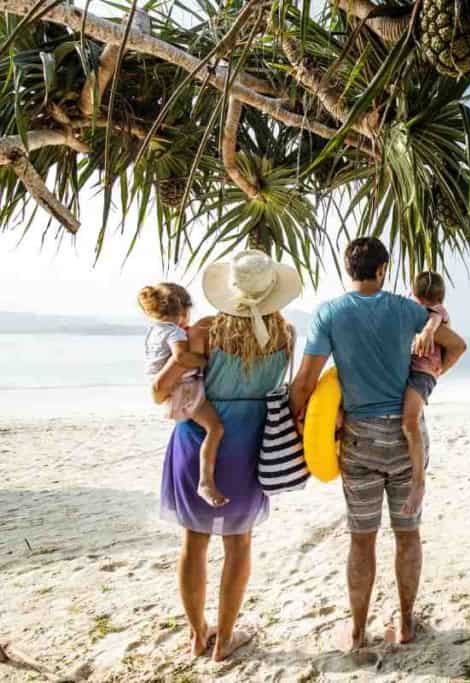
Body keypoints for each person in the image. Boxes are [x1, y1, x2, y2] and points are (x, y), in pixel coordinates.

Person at [289, 238, 467, 650]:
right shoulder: (409, 310)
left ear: (347, 268)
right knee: (408, 534)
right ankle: (405, 625)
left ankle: (355, 632)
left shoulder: (329, 313)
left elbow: (304, 382)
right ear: (384, 269)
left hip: (359, 441)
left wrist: (301, 430)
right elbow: (454, 345)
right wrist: (430, 379)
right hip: (408, 441)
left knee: (361, 538)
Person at [152, 250, 301, 661]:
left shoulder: (202, 331)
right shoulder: (286, 334)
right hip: (252, 441)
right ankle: (225, 639)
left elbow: (163, 389)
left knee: (193, 541)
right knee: (239, 543)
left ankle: (198, 634)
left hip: (199, 435)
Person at [139, 282, 227, 508]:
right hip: (183, 390)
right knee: (215, 428)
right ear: (184, 311)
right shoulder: (176, 331)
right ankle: (206, 481)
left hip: (170, 391)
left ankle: (205, 481)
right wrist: (206, 361)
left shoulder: (154, 330)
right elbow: (180, 358)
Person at [400, 271, 457, 518]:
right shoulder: (419, 311)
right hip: (420, 370)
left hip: (423, 374)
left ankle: (419, 482)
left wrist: (427, 332)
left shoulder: (435, 314)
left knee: (409, 421)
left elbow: (433, 320)